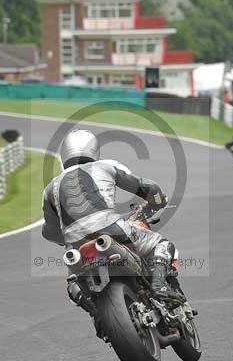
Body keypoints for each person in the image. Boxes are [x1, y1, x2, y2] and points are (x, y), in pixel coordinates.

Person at [41, 129, 184, 303]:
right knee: (161, 244)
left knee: (73, 283)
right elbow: (146, 187)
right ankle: (159, 285)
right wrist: (158, 201)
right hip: (112, 229)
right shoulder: (106, 166)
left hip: (76, 245)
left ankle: (97, 315)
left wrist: (66, 239)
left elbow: (50, 231)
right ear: (94, 149)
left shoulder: (50, 188)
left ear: (64, 153)